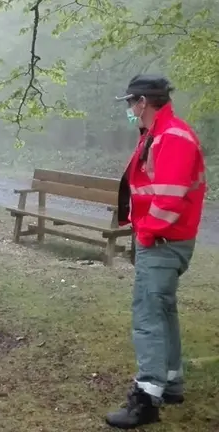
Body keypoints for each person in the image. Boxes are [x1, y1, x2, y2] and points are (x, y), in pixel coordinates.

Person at [107, 74, 206, 429]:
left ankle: (146, 399)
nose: (130, 110)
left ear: (143, 102)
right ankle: (171, 383)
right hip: (162, 240)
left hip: (163, 242)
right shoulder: (158, 134)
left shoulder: (173, 137)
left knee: (148, 317)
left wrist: (146, 233)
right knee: (163, 312)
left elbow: (170, 199)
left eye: (130, 103)